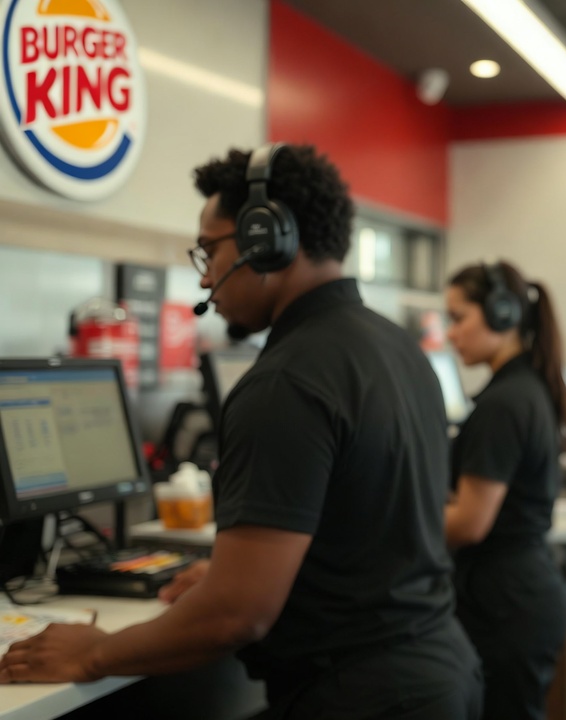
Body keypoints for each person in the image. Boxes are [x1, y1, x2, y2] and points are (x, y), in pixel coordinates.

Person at [0, 144, 483, 719]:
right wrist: (239, 572)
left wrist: (97, 652)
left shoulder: (287, 379)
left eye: (210, 249)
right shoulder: (396, 348)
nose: (206, 275)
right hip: (438, 668)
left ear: (265, 237)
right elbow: (371, 533)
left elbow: (236, 615)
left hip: (362, 694)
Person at [444, 261, 566, 720]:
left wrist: (397, 517)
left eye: (458, 318)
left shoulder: (502, 403)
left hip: (505, 606)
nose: (450, 333)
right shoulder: (525, 387)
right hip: (522, 596)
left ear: (501, 314)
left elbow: (468, 523)